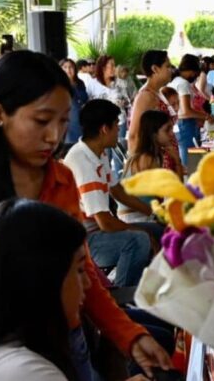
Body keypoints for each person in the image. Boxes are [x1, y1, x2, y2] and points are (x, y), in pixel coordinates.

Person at [0, 50, 172, 380]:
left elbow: (83, 272)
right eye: (41, 120)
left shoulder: (62, 180)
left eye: (63, 121)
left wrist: (129, 335)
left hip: (67, 336)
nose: (54, 136)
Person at [0, 199, 88, 381]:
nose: (87, 283)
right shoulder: (25, 371)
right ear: (43, 277)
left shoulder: (6, 358)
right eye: (79, 270)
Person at [64, 99, 157, 287]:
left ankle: (148, 287)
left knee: (158, 229)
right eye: (116, 125)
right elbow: (105, 223)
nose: (119, 130)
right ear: (104, 129)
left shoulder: (100, 152)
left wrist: (153, 212)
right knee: (139, 240)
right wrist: (143, 231)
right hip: (83, 240)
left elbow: (118, 191)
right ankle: (122, 297)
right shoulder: (82, 161)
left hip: (97, 231)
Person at [119, 110, 175, 224]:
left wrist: (177, 161)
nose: (171, 133)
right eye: (167, 130)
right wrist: (177, 161)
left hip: (141, 214)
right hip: (136, 217)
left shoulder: (145, 155)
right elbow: (166, 195)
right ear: (154, 134)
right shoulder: (147, 159)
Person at [130, 50, 179, 177]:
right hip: (154, 163)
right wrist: (138, 170)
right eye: (167, 66)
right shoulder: (145, 96)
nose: (171, 70)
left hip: (164, 159)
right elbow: (134, 134)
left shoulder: (158, 92)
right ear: (155, 69)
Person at [168, 54, 214, 168]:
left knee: (190, 160)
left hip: (181, 125)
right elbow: (186, 111)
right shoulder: (183, 83)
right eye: (195, 73)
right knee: (192, 164)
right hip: (186, 126)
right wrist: (206, 116)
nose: (195, 76)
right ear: (190, 70)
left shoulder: (176, 81)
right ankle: (192, 184)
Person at [59, 59, 90, 149]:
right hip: (69, 125)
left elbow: (85, 99)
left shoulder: (80, 83)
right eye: (65, 67)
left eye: (71, 67)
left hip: (82, 122)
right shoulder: (58, 85)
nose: (68, 70)